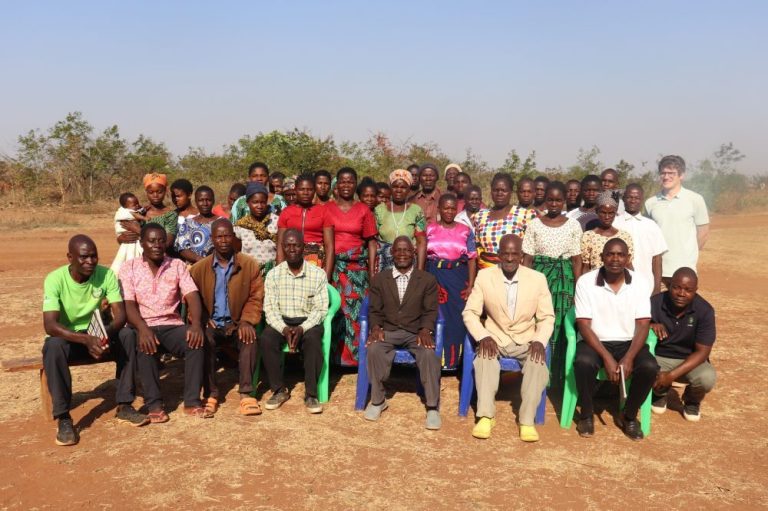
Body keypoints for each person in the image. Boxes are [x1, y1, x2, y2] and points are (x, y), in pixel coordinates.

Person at [42, 235, 145, 446]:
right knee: (53, 346)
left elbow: (121, 316)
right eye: (84, 257)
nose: (90, 261)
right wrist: (86, 339)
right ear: (70, 257)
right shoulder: (55, 279)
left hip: (99, 336)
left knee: (127, 335)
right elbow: (50, 325)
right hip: (71, 339)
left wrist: (103, 335)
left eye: (94, 256)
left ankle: (125, 404)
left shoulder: (106, 275)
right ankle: (63, 417)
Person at [463, 234, 554, 442]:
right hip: (495, 337)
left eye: (515, 254)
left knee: (537, 364)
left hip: (526, 338)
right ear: (498, 255)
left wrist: (539, 340)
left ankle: (527, 420)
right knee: (484, 358)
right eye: (506, 253)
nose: (510, 258)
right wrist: (483, 335)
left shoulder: (537, 279)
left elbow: (547, 316)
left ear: (521, 255)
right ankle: (486, 416)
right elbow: (470, 313)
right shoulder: (484, 277)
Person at [118, 224, 209, 422]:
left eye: (161, 240)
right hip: (143, 324)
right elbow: (129, 305)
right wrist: (142, 328)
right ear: (142, 243)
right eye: (152, 241)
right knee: (144, 344)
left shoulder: (176, 265)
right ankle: (155, 405)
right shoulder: (129, 267)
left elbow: (192, 296)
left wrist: (195, 325)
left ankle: (192, 401)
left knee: (195, 341)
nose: (157, 245)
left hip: (171, 324)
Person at [572, 238, 659, 440]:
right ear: (602, 257)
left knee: (649, 367)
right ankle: (586, 414)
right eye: (610, 254)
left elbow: (644, 325)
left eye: (621, 254)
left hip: (629, 342)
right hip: (595, 341)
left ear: (628, 258)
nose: (615, 259)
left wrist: (628, 358)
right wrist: (606, 357)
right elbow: (584, 326)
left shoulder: (639, 282)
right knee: (583, 362)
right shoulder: (586, 282)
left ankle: (628, 415)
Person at [364, 236, 442, 430]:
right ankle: (378, 401)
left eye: (406, 250)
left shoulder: (427, 280)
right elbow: (374, 310)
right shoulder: (380, 279)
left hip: (415, 332)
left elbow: (431, 310)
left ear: (414, 253)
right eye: (398, 250)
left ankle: (432, 407)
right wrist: (375, 328)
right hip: (389, 330)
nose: (402, 254)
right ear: (391, 253)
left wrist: (425, 329)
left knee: (428, 353)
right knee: (374, 349)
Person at [190, 219, 264, 417]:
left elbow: (256, 297)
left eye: (227, 236)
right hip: (212, 323)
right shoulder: (199, 269)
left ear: (233, 237)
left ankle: (247, 393)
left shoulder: (248, 265)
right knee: (204, 340)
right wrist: (203, 318)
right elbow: (191, 299)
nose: (223, 240)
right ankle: (211, 393)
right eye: (219, 236)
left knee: (249, 338)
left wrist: (247, 320)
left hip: (238, 322)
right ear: (212, 239)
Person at [522, 182, 583, 387]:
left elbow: (576, 260)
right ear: (545, 200)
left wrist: (577, 288)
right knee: (539, 322)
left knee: (560, 324)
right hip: (540, 276)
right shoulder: (535, 224)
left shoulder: (573, 225)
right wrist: (526, 284)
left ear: (565, 200)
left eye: (558, 200)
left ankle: (558, 377)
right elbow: (528, 259)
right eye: (551, 199)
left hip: (564, 280)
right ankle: (538, 372)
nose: (554, 204)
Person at [261, 229, 329, 413]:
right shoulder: (273, 275)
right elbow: (270, 309)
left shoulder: (318, 274)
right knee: (267, 339)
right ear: (282, 248)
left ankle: (311, 394)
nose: (292, 249)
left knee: (314, 340)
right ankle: (278, 390)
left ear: (304, 248)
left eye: (297, 245)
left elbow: (320, 309)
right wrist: (283, 328)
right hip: (281, 322)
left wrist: (302, 328)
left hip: (307, 321)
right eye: (288, 246)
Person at [650, 268, 716, 422]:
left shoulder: (705, 310)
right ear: (669, 285)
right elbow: (636, 326)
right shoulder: (654, 302)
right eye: (676, 287)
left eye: (688, 290)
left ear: (696, 291)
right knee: (644, 367)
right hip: (660, 357)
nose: (681, 293)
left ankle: (692, 400)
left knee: (707, 378)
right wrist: (649, 325)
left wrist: (670, 376)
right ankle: (659, 393)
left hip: (690, 360)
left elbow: (703, 352)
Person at [327, 167, 378, 366]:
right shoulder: (328, 209)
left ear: (355, 184)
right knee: (335, 312)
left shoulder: (363, 210)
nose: (346, 185)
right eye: (342, 181)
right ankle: (335, 359)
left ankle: (356, 359)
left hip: (357, 270)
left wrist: (372, 272)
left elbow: (372, 242)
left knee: (357, 314)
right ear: (337, 185)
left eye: (350, 181)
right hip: (335, 268)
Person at [426, 193, 477, 369]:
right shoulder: (430, 229)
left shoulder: (465, 230)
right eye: (445, 208)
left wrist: (470, 285)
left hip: (457, 277)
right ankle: (435, 358)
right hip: (435, 276)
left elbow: (471, 258)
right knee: (435, 316)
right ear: (439, 209)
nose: (449, 211)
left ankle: (454, 361)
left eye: (452, 208)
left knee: (457, 317)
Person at [645, 155, 710, 285]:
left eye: (671, 173)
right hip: (657, 268)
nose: (666, 176)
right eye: (663, 173)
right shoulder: (650, 203)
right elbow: (647, 234)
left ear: (681, 175)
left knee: (682, 304)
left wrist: (689, 256)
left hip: (685, 269)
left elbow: (703, 231)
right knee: (657, 304)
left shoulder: (695, 199)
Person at [276, 173, 335, 280]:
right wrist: (279, 271)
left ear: (314, 191)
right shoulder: (286, 212)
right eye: (301, 189)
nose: (306, 193)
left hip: (316, 261)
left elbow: (329, 245)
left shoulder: (323, 212)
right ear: (295, 190)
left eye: (309, 189)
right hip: (291, 258)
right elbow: (280, 245)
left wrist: (327, 274)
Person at [473, 172, 535, 269]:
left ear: (511, 192)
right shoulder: (480, 216)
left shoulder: (524, 215)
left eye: (503, 190)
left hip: (515, 273)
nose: (499, 193)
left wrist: (525, 276)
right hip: (486, 274)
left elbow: (529, 252)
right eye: (496, 190)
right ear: (491, 192)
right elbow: (477, 249)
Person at [614, 184, 668, 294]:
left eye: (637, 198)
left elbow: (657, 259)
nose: (633, 201)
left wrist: (656, 288)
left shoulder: (651, 225)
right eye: (629, 197)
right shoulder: (615, 223)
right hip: (619, 284)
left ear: (642, 200)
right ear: (623, 199)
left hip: (646, 286)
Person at [374, 169, 427, 271]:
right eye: (395, 186)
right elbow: (373, 241)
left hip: (409, 263)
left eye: (403, 187)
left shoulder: (416, 211)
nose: (399, 190)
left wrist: (419, 270)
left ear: (409, 189)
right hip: (383, 263)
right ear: (390, 188)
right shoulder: (380, 209)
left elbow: (421, 242)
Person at [580, 191, 634, 272]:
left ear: (615, 213)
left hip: (620, 282)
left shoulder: (625, 236)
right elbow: (586, 266)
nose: (607, 217)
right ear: (597, 211)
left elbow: (628, 264)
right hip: (595, 283)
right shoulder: (588, 237)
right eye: (603, 213)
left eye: (611, 213)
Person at [233, 182, 280, 276]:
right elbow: (236, 253)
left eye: (262, 202)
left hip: (272, 274)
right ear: (247, 203)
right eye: (255, 202)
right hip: (248, 273)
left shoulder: (276, 222)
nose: (259, 206)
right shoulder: (240, 226)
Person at [175, 186, 221, 264]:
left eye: (208, 200)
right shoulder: (187, 223)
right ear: (196, 201)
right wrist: (199, 259)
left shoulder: (222, 222)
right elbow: (182, 248)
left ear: (213, 201)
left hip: (219, 267)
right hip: (195, 268)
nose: (205, 204)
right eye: (201, 200)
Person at [138, 173, 178, 250]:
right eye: (151, 192)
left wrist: (137, 230)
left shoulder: (170, 215)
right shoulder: (141, 212)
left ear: (165, 191)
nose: (155, 195)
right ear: (146, 192)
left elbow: (168, 242)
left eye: (159, 192)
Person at [110, 192, 145, 274]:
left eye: (138, 203)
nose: (137, 206)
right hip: (129, 242)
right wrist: (120, 238)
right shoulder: (125, 213)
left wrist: (140, 231)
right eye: (134, 205)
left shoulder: (139, 210)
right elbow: (121, 229)